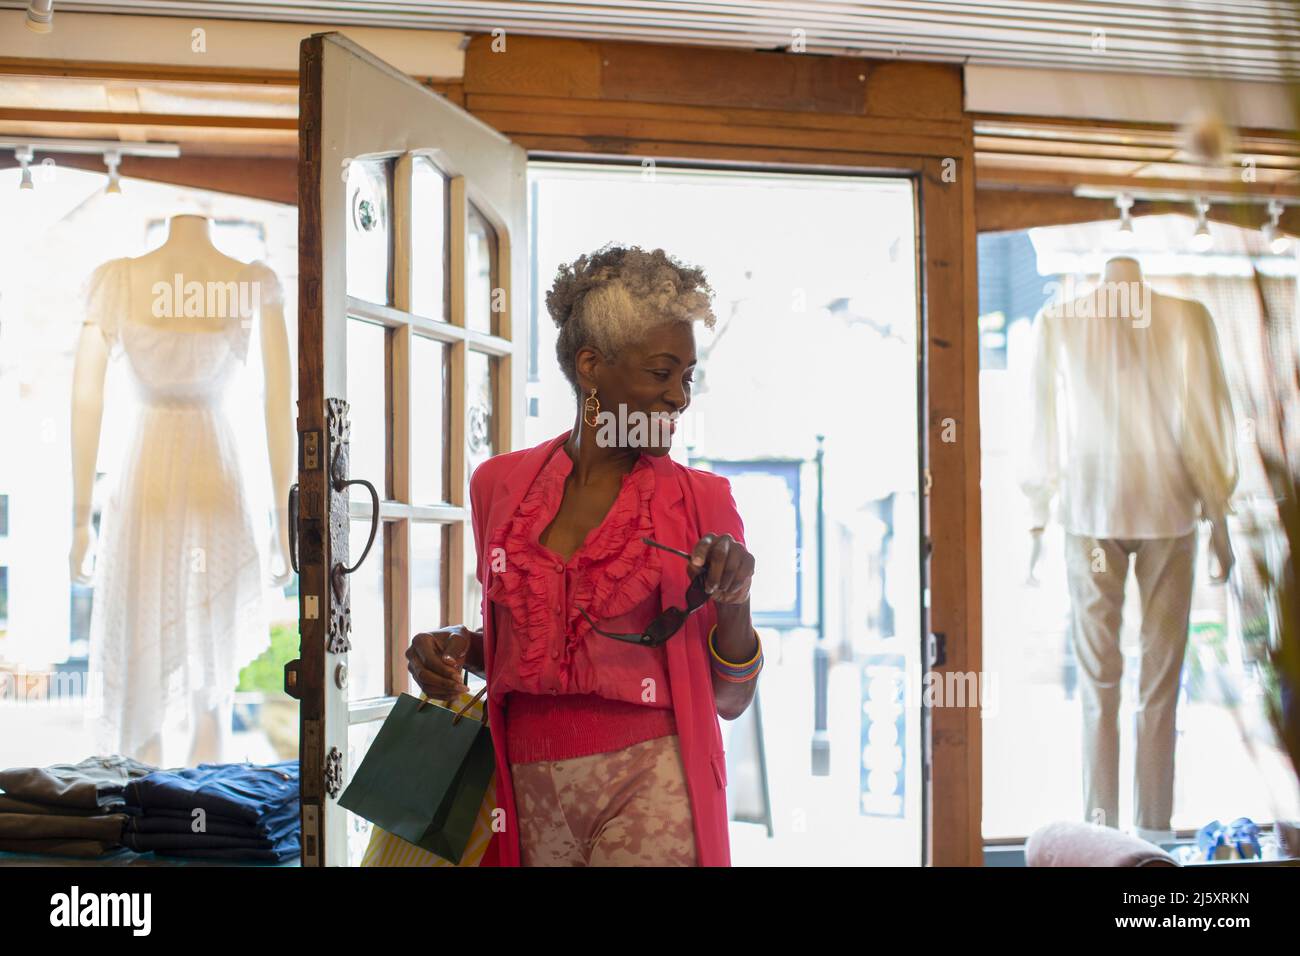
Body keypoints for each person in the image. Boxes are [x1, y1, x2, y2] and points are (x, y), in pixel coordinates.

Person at [407, 243, 761, 866]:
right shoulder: (500, 486)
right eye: (661, 372)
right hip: (521, 789)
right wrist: (458, 645)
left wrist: (735, 602)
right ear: (592, 366)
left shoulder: (703, 502)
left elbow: (728, 700)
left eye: (687, 376)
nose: (680, 396)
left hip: (652, 785)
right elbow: (534, 651)